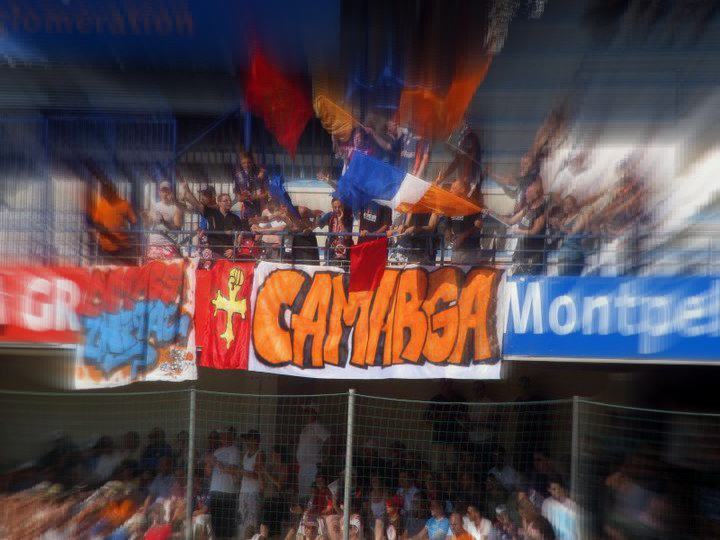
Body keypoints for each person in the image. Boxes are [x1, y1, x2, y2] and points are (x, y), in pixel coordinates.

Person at [85, 165, 138, 264]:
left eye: (106, 191)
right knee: (108, 270)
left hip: (123, 247)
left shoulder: (124, 204)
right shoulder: (101, 203)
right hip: (106, 248)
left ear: (113, 191)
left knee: (126, 269)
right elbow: (96, 222)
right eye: (103, 191)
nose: (104, 194)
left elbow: (134, 221)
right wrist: (102, 229)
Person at [182, 179, 247, 258]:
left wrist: (234, 249)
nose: (229, 202)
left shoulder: (235, 218)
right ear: (219, 203)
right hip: (213, 251)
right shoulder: (211, 213)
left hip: (228, 252)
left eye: (229, 200)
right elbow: (197, 204)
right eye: (225, 201)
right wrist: (187, 190)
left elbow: (239, 235)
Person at [499, 181, 547, 275]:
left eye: (528, 192)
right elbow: (510, 221)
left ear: (536, 195)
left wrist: (518, 230)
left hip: (532, 256)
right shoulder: (527, 209)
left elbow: (534, 232)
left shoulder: (541, 212)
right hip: (520, 253)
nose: (525, 194)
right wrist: (493, 214)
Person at [208, 428, 241, 539]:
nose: (222, 438)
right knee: (215, 524)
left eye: (224, 435)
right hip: (215, 490)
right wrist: (209, 462)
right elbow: (208, 472)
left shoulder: (234, 450)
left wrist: (216, 462)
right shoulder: (216, 451)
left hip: (227, 491)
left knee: (226, 525)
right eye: (221, 436)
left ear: (230, 436)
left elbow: (232, 469)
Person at [297, 405, 331, 501]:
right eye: (306, 412)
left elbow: (328, 439)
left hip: (312, 466)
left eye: (309, 412)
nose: (307, 414)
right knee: (303, 493)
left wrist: (326, 457)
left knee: (311, 492)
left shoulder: (317, 426)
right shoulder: (306, 428)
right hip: (303, 466)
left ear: (315, 413)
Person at [145, 180, 183, 260]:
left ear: (171, 192)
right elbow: (148, 224)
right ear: (159, 193)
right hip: (154, 243)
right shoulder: (154, 206)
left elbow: (177, 227)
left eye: (167, 191)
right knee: (154, 266)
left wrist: (164, 222)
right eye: (162, 191)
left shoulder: (175, 208)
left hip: (168, 244)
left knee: (169, 267)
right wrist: (145, 217)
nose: (165, 194)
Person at [238, 430, 265, 540]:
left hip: (254, 493)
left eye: (249, 439)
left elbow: (256, 475)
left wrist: (241, 471)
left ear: (255, 440)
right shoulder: (245, 454)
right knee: (242, 523)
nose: (247, 442)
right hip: (243, 492)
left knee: (253, 525)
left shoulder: (259, 454)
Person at [262, 445, 290, 537]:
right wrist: (260, 472)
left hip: (277, 500)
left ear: (278, 455)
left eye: (273, 453)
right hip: (267, 499)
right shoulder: (269, 467)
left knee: (275, 529)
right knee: (264, 526)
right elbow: (262, 486)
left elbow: (279, 484)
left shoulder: (283, 467)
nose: (271, 455)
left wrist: (267, 473)